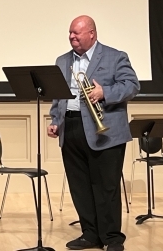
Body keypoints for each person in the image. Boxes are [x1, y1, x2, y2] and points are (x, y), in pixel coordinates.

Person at [48, 15, 140, 251]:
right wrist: (56, 120)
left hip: (105, 131)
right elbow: (58, 95)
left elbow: (132, 85)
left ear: (92, 33)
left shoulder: (115, 56)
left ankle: (111, 238)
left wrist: (104, 92)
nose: (71, 37)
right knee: (80, 186)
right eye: (70, 33)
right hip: (71, 127)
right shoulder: (62, 60)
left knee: (106, 186)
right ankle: (90, 234)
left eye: (76, 33)